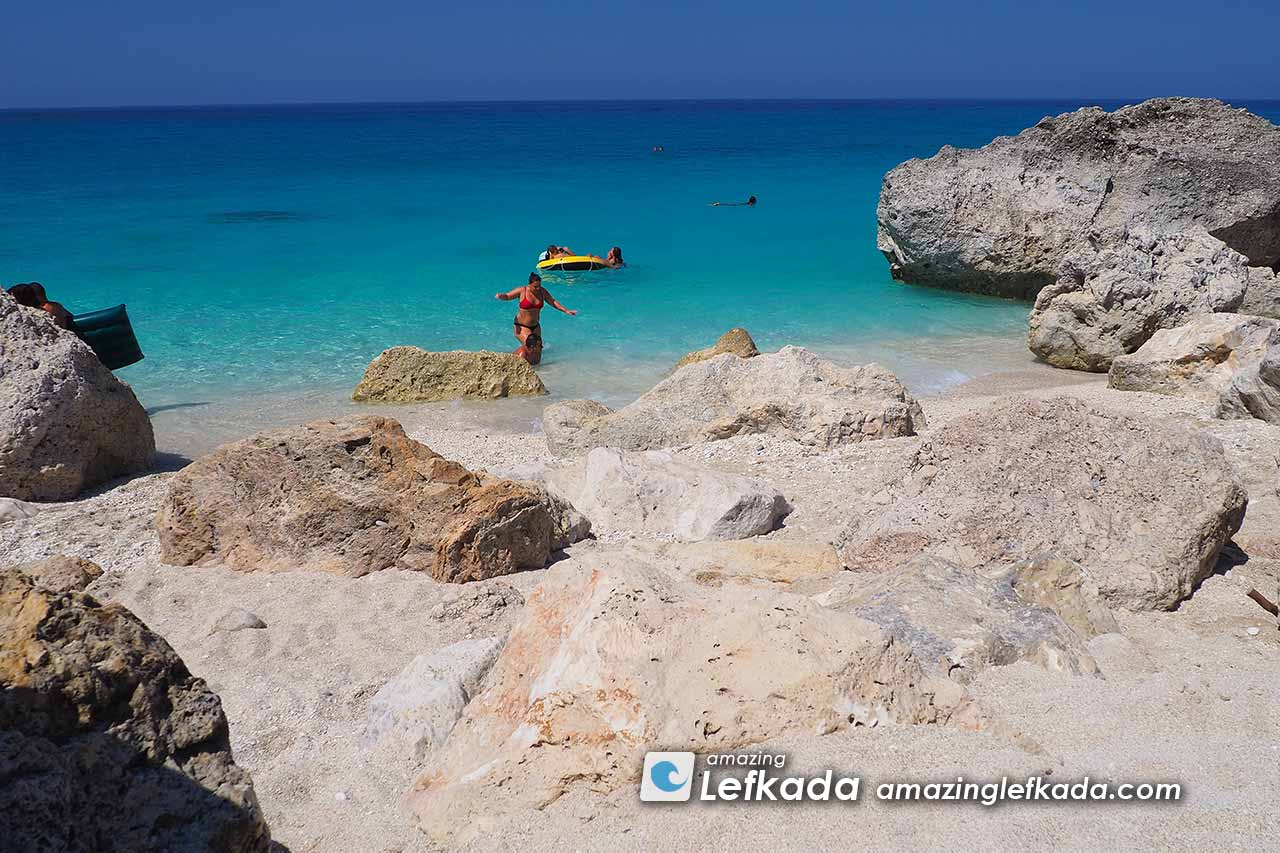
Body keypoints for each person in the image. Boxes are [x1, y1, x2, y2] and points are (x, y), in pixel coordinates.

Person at [496, 272, 576, 365]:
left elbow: (552, 301)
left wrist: (566, 310)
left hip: (535, 326)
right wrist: (501, 296)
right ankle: (512, 361)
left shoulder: (542, 291)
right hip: (522, 326)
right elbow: (508, 296)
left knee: (539, 348)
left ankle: (537, 369)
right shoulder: (522, 290)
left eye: (539, 286)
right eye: (535, 286)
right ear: (529, 284)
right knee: (530, 347)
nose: (538, 289)